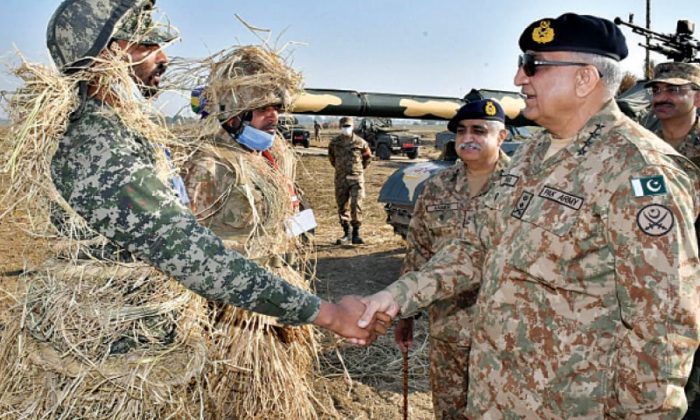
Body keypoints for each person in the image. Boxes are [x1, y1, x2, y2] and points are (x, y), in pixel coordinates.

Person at [0, 1, 387, 417]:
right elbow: (191, 252)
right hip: (109, 370)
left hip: (140, 362)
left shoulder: (118, 133)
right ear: (109, 54)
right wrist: (327, 314)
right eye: (148, 46)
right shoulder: (99, 144)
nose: (163, 59)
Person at [357, 13, 700, 418]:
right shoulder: (534, 153)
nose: (519, 78)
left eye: (534, 65)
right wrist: (395, 297)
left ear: (585, 78)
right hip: (499, 398)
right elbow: (475, 248)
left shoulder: (638, 168)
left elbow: (662, 323)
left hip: (573, 405)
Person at [183, 46, 320, 417]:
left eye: (276, 107)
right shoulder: (210, 164)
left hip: (276, 294)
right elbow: (193, 246)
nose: (273, 117)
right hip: (235, 313)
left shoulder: (270, 157)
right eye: (262, 109)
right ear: (233, 115)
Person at [394, 99, 511, 419]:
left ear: (501, 136)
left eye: (479, 130)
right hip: (447, 326)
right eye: (461, 131)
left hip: (506, 332)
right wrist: (406, 312)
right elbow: (418, 250)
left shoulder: (522, 186)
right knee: (449, 409)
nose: (467, 137)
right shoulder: (436, 188)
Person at [647, 61, 700, 419]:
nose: (662, 97)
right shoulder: (640, 142)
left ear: (697, 96)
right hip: (651, 268)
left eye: (674, 90)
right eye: (657, 90)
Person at [328, 116, 372, 244]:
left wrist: (358, 169)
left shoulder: (361, 143)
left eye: (348, 126)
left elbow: (367, 159)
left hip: (356, 178)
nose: (346, 129)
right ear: (340, 127)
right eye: (344, 126)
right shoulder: (334, 143)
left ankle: (356, 234)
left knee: (356, 204)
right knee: (342, 205)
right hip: (340, 179)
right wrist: (341, 169)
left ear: (353, 127)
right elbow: (332, 159)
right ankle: (346, 233)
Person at [647, 62, 700, 162]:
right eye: (655, 90)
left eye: (672, 89)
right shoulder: (645, 145)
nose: (660, 98)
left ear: (698, 97)